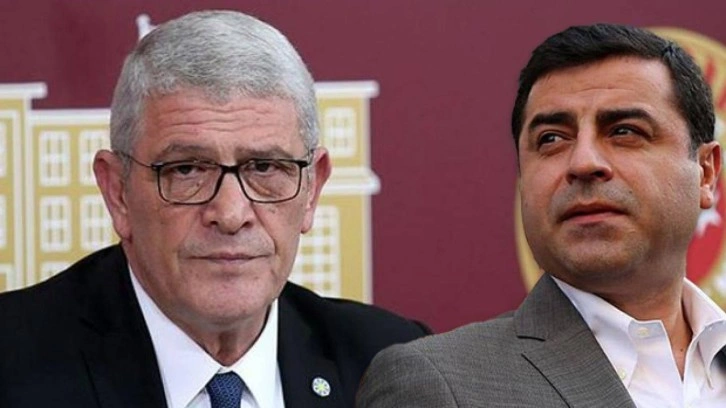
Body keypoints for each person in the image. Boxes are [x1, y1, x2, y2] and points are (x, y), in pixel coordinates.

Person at [0, 10, 429, 408]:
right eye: (187, 170)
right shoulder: (12, 362)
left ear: (312, 189)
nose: (231, 213)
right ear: (118, 193)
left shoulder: (394, 367)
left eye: (264, 167)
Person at [357, 23, 725, 407]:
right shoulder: (438, 384)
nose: (583, 162)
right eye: (551, 139)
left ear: (706, 173)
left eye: (624, 132)